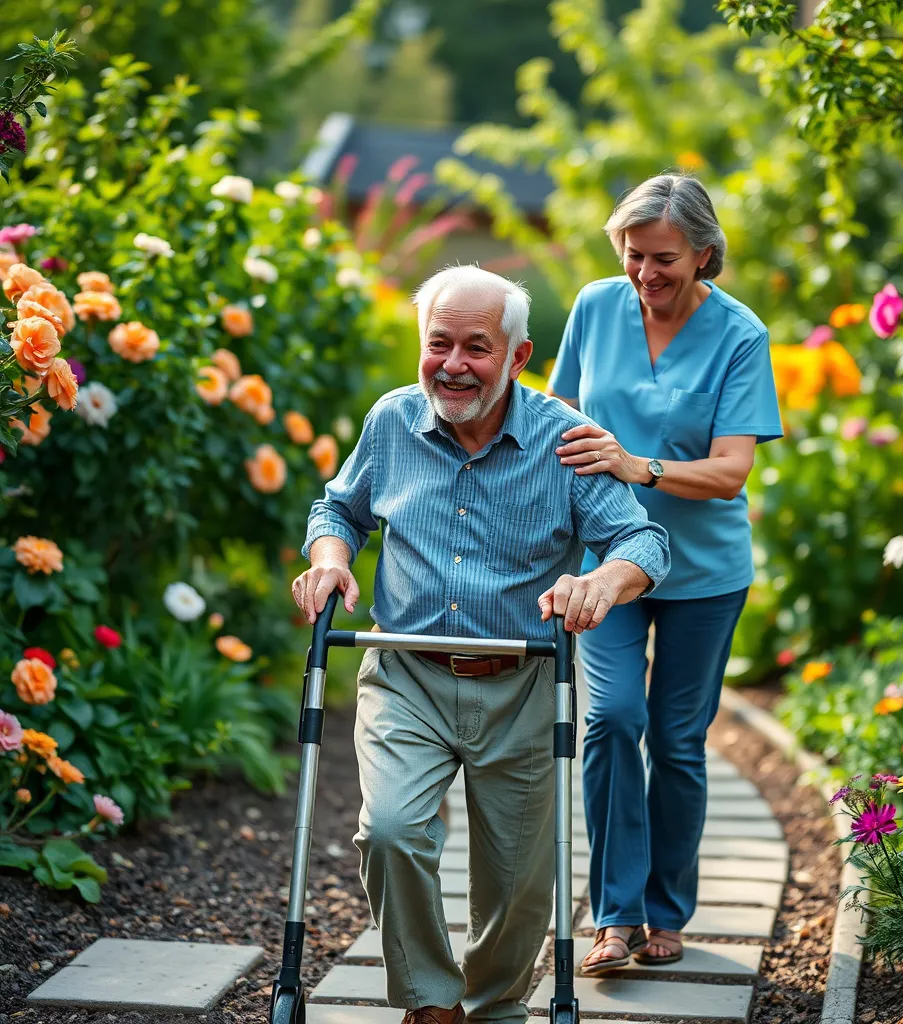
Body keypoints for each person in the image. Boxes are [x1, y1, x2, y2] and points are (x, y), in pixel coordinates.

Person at [291, 265, 670, 1024]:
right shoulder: (392, 422)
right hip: (407, 675)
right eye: (439, 344)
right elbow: (339, 509)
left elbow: (643, 540)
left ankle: (496, 1005)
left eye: (477, 347)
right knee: (391, 831)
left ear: (520, 356)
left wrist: (602, 583)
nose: (454, 365)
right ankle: (431, 1004)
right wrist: (329, 560)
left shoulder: (566, 440)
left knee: (516, 880)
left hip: (525, 681)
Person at [547, 174, 783, 973]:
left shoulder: (740, 336)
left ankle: (665, 908)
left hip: (704, 573)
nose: (645, 274)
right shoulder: (594, 307)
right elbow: (561, 423)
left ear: (704, 255)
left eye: (664, 259)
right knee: (611, 720)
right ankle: (614, 916)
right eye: (633, 255)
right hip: (608, 567)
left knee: (678, 741)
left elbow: (729, 472)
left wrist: (636, 465)